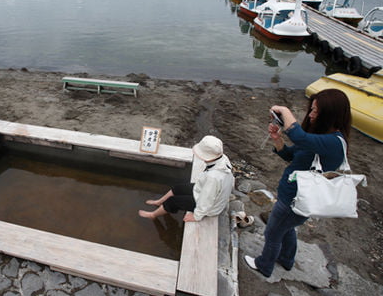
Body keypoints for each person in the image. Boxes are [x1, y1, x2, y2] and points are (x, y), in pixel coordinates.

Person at [244, 89, 351, 277]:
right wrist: (277, 140)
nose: (310, 115)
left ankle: (264, 265)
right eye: (311, 109)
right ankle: (286, 259)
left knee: (273, 233)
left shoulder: (333, 142)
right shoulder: (319, 137)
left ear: (330, 114)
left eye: (315, 111)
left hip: (295, 200)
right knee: (287, 228)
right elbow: (289, 155)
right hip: (296, 197)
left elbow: (299, 136)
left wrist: (284, 111)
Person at [138, 135, 234, 222]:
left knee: (173, 201)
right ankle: (159, 202)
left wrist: (196, 216)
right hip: (205, 191)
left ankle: (153, 215)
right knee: (178, 188)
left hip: (211, 207)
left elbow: (206, 200)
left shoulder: (213, 177)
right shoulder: (222, 158)